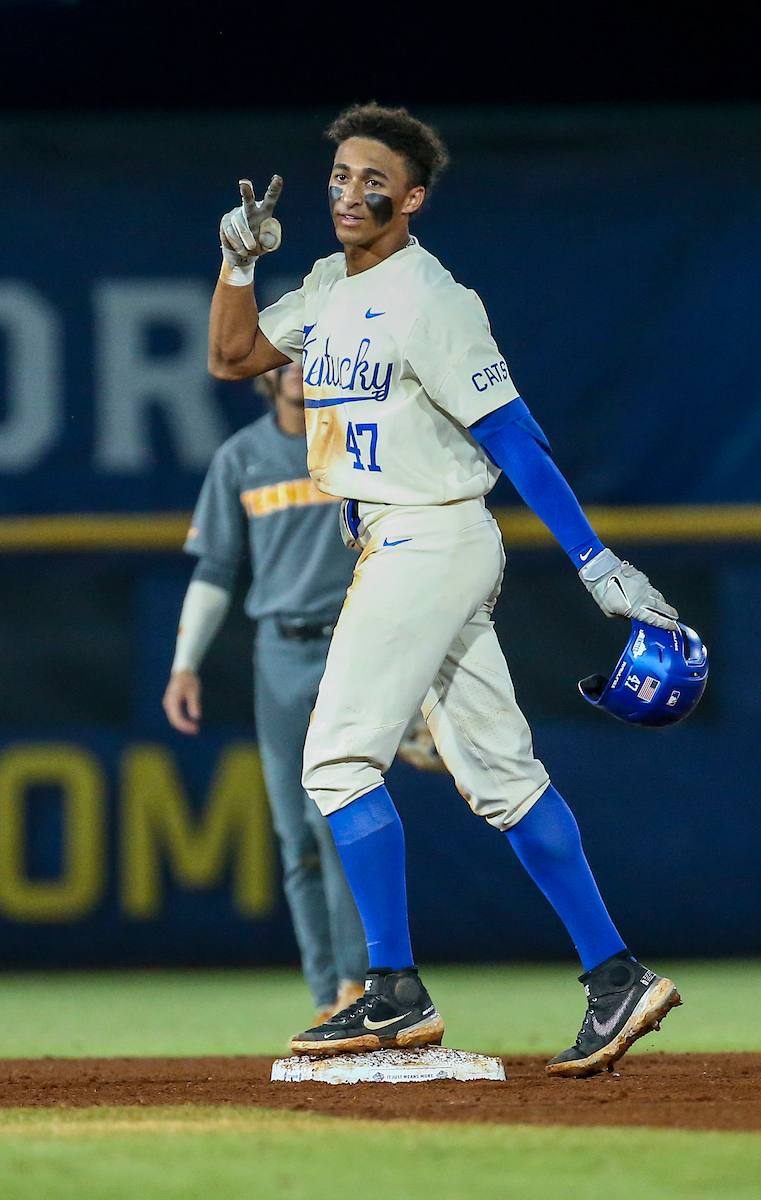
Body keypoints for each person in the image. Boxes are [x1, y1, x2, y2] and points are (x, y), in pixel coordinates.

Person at [207, 102, 683, 1078]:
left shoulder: (434, 298)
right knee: (502, 780)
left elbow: (512, 433)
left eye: (370, 178)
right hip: (407, 541)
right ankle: (614, 976)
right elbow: (233, 357)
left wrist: (599, 565)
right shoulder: (330, 286)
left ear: (412, 196)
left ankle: (391, 991)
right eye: (337, 176)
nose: (347, 193)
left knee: (335, 765)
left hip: (426, 537)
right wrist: (237, 264)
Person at [162, 361, 368, 1023]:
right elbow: (215, 569)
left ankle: (357, 985)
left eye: (307, 354)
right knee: (294, 836)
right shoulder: (242, 458)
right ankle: (324, 996)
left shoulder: (358, 441)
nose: (294, 370)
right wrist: (184, 664)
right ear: (261, 372)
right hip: (277, 650)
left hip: (351, 644)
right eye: (280, 357)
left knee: (331, 821)